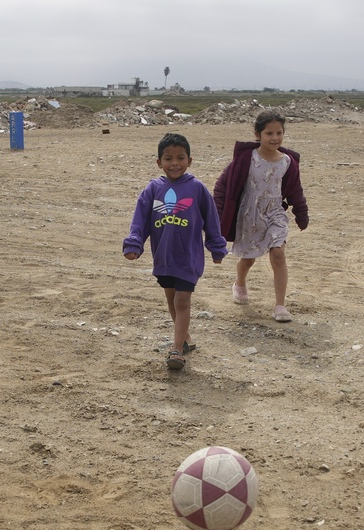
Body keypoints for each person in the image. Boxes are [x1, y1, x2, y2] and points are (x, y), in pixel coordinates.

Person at [123, 133, 227, 370]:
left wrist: (216, 247)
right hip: (164, 256)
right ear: (159, 162)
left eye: (180, 158)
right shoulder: (152, 189)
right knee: (171, 299)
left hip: (189, 257)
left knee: (182, 300)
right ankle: (186, 339)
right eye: (168, 158)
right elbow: (139, 221)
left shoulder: (197, 188)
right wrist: (134, 244)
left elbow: (212, 221)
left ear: (190, 160)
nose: (175, 163)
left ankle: (176, 349)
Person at [214, 110, 309, 322]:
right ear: (257, 134)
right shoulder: (245, 159)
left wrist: (301, 213)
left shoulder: (288, 162)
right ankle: (239, 283)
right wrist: (218, 212)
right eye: (269, 133)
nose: (275, 138)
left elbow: (295, 190)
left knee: (277, 253)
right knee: (248, 258)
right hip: (249, 215)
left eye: (279, 133)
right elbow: (223, 185)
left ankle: (280, 305)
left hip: (275, 212)